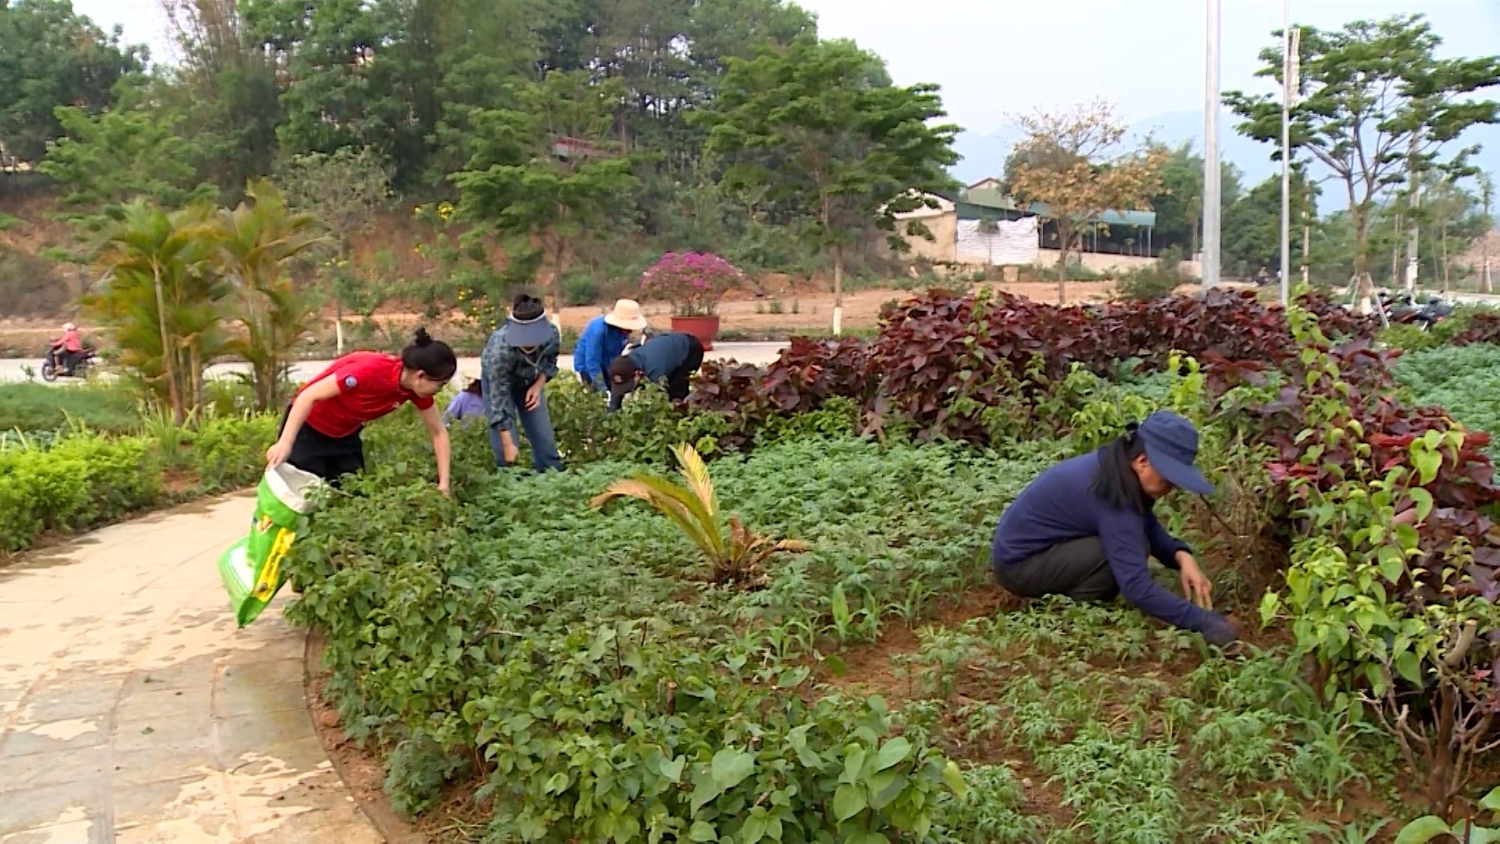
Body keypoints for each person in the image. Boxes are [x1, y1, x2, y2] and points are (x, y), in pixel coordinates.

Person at [990, 411, 1239, 647]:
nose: (1170, 488)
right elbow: (1136, 587)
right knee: (1125, 550)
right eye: (1168, 480)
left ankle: (1077, 598)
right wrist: (1206, 623)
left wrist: (1180, 555)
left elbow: (1143, 523)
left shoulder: (1116, 468)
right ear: (1142, 461)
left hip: (1037, 552)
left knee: (1129, 542)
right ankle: (1074, 609)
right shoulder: (1111, 494)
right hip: (1020, 566)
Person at [265, 328, 457, 492]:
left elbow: (438, 432)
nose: (439, 391)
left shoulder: (415, 390)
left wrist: (444, 484)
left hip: (344, 435)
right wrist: (285, 443)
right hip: (308, 428)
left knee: (353, 494)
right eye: (439, 385)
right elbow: (307, 396)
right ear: (420, 375)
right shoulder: (367, 372)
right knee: (300, 494)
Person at [480, 294, 564, 472]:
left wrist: (538, 385)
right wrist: (508, 443)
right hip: (501, 386)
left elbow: (549, 362)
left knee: (545, 441)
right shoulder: (500, 351)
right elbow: (499, 401)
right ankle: (510, 484)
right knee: (507, 453)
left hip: (531, 380)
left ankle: (553, 479)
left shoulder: (552, 335)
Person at [606, 331, 705, 411]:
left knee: (675, 392)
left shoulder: (655, 370)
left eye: (629, 383)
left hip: (690, 350)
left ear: (637, 373)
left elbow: (656, 401)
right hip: (666, 348)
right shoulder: (623, 366)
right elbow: (616, 397)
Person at [573, 299, 649, 391]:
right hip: (587, 367)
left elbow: (616, 355)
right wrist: (602, 389)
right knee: (596, 395)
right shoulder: (599, 330)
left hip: (607, 364)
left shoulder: (623, 332)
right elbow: (592, 361)